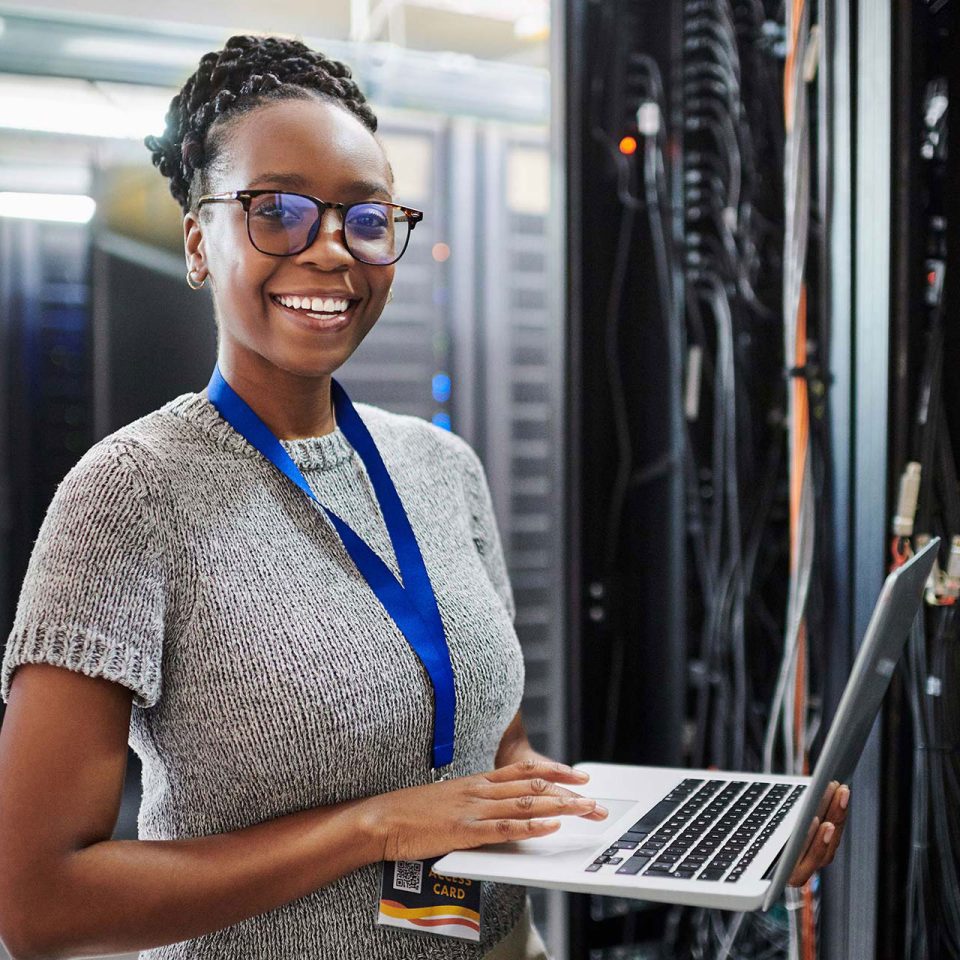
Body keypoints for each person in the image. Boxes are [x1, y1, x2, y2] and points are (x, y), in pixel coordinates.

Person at [0, 35, 847, 960]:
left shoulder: (442, 468)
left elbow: (496, 760)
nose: (331, 251)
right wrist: (375, 828)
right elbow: (42, 903)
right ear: (199, 242)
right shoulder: (129, 494)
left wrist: (696, 839)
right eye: (277, 212)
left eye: (366, 219)